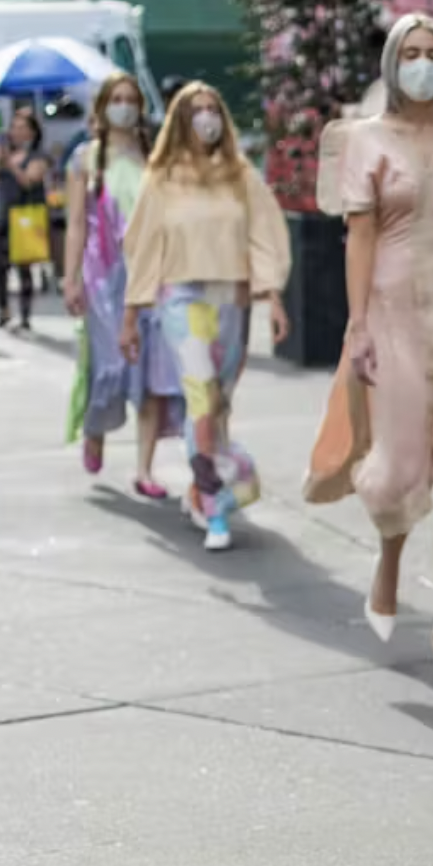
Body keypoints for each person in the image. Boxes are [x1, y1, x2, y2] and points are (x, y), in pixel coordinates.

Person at [304, 12, 433, 681]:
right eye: (411, 53)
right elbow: (361, 236)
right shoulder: (363, 138)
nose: (423, 64)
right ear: (392, 63)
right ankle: (390, 561)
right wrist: (357, 324)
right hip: (393, 309)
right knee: (400, 466)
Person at [121, 82, 291, 552]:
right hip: (181, 298)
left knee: (219, 404)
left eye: (212, 108)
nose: (205, 118)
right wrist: (132, 315)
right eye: (196, 110)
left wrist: (273, 295)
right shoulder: (161, 177)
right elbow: (142, 246)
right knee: (201, 398)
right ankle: (216, 505)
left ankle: (200, 488)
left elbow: (265, 234)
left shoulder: (240, 174)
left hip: (232, 300)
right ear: (180, 119)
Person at [62, 72, 183, 496]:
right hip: (102, 277)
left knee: (151, 373)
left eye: (130, 99)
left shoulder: (155, 157)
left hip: (151, 276)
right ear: (102, 107)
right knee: (109, 367)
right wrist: (71, 278)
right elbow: (76, 224)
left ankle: (145, 469)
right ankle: (94, 428)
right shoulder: (85, 159)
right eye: (116, 99)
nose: (124, 107)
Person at [0, 107, 51, 333]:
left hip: (25, 219)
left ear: (32, 132)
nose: (16, 132)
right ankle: (3, 310)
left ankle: (25, 316)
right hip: (4, 216)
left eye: (22, 128)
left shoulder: (38, 157)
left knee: (24, 269)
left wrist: (11, 164)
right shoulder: (5, 155)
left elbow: (29, 181)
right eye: (14, 127)